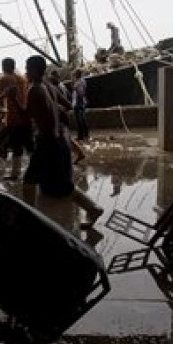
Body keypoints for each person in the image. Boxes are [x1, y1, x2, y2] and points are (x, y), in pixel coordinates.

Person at [21, 55, 103, 229]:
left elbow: (24, 117)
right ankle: (93, 208)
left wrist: (12, 98)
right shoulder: (50, 86)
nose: (26, 72)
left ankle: (29, 218)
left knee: (30, 180)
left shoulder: (34, 89)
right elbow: (67, 104)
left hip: (47, 142)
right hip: (60, 139)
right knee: (61, 185)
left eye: (27, 68)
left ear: (34, 70)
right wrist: (52, 109)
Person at [0, 57, 34, 179]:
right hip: (25, 116)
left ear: (4, 67)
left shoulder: (4, 79)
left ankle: (15, 174)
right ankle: (40, 169)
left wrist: (1, 111)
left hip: (13, 118)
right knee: (29, 145)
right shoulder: (22, 79)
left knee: (14, 145)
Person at [72, 69, 89, 141]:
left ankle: (80, 136)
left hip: (79, 103)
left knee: (79, 120)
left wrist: (75, 88)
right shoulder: (83, 81)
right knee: (83, 119)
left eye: (75, 74)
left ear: (77, 74)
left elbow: (80, 93)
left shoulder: (78, 83)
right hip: (81, 102)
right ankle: (85, 134)